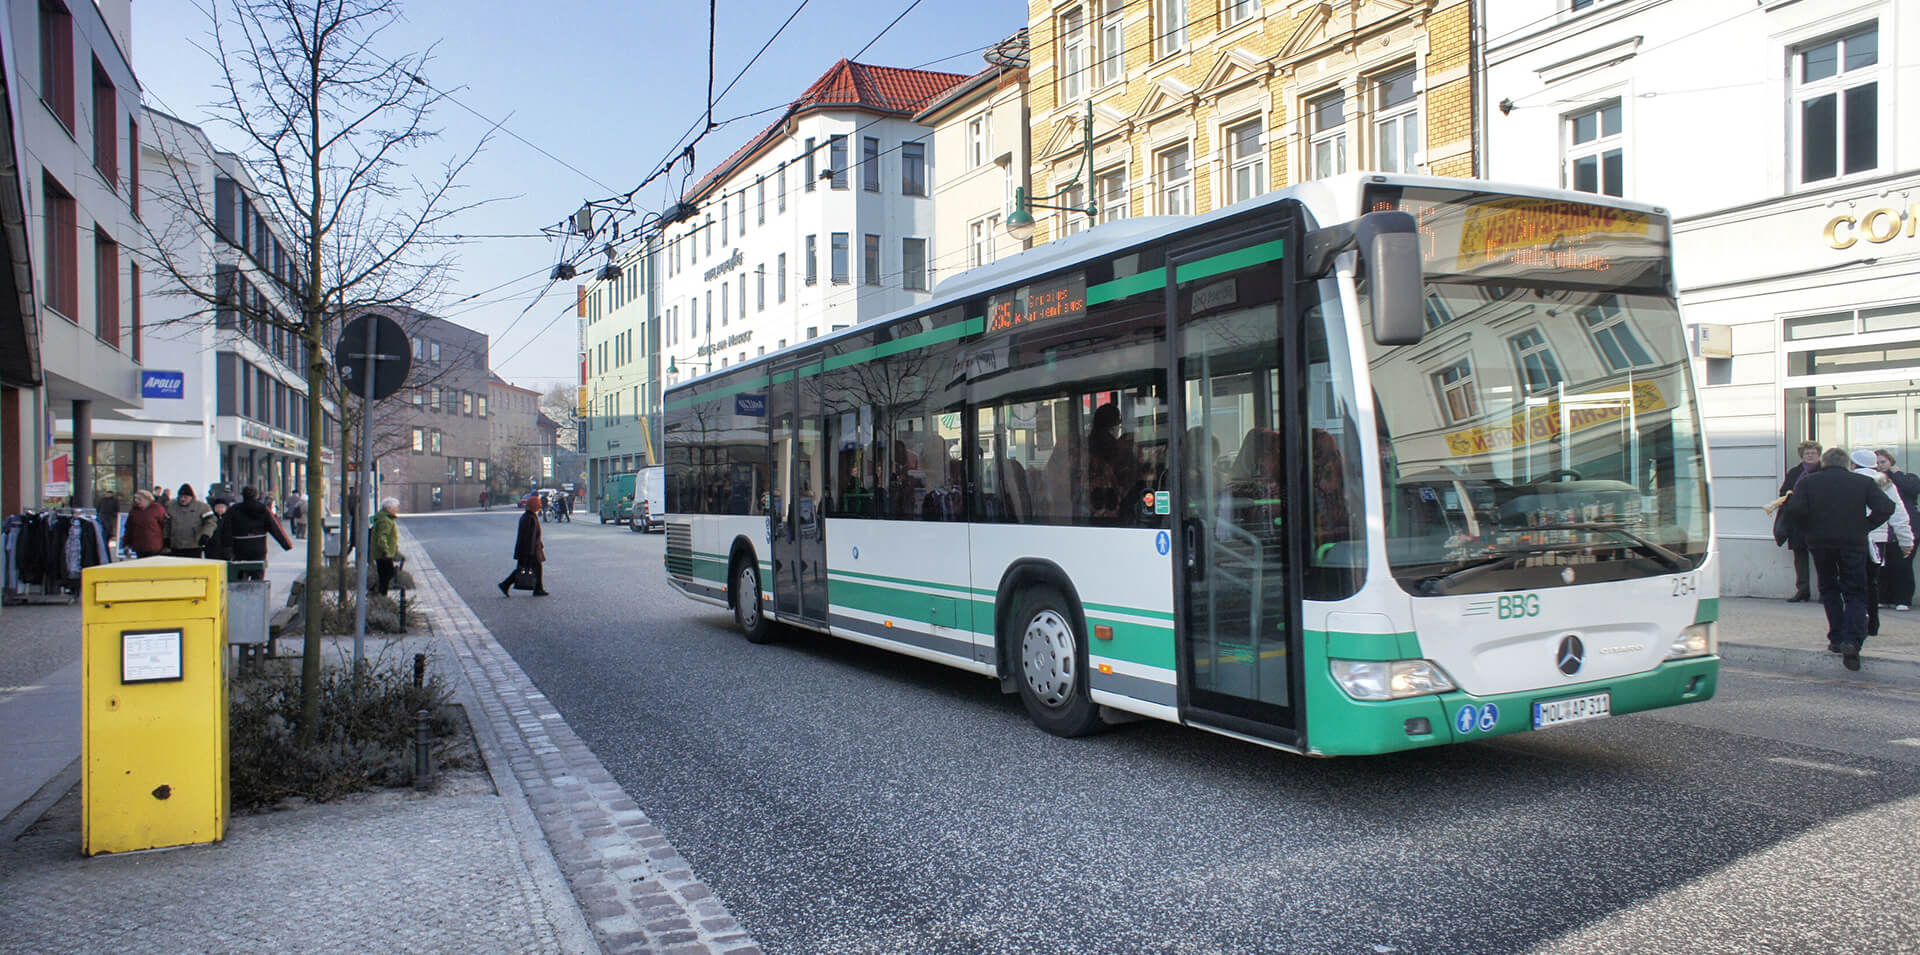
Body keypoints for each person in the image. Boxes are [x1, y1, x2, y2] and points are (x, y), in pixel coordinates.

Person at [1784, 447, 1894, 672]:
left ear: (1824, 463)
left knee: (1829, 588)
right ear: (1846, 464)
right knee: (1855, 592)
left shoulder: (1808, 482)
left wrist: (1808, 529)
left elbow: (1794, 509)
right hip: (1853, 542)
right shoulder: (1861, 483)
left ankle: (1836, 637)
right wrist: (1865, 526)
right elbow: (1886, 507)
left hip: (1820, 543)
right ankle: (1851, 641)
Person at [1853, 449, 1913, 637]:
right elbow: (1898, 512)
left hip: (1851, 536)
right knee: (1872, 581)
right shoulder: (1884, 481)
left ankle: (1858, 614)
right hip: (1878, 538)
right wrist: (1906, 540)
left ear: (1853, 464)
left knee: (1852, 579)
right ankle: (1873, 622)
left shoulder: (1848, 479)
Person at [1876, 449, 1920, 611]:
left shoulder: (1907, 478)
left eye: (1883, 462)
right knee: (1883, 565)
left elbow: (1913, 489)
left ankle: (1903, 599)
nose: (1880, 466)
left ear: (1891, 462)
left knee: (1902, 565)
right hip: (1883, 529)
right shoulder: (1876, 480)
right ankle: (1884, 597)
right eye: (1877, 463)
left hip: (1908, 528)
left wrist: (1896, 474)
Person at [1779, 440, 1822, 601]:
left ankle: (1824, 591)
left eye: (1813, 453)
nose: (1809, 456)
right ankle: (1802, 590)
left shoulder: (1823, 471)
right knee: (1800, 557)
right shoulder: (1795, 472)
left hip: (1817, 521)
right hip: (1797, 520)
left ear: (1819, 455)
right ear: (1801, 456)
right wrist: (1791, 498)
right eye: (1807, 453)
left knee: (1821, 557)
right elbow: (1783, 492)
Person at [224, 486, 294, 580]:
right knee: (258, 574)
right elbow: (275, 527)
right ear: (257, 495)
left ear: (243, 495)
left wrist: (227, 548)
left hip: (240, 547)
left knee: (240, 574)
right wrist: (286, 544)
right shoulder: (263, 509)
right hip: (258, 547)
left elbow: (226, 529)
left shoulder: (233, 509)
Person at [499, 493, 549, 597]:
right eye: (538, 505)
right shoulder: (529, 518)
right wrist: (530, 553)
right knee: (528, 568)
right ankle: (506, 584)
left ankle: (537, 588)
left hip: (530, 549)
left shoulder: (529, 516)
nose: (539, 506)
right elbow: (529, 537)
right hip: (529, 550)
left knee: (527, 568)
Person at [163, 483, 216, 558]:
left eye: (185, 497)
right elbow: (167, 523)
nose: (183, 499)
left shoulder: (202, 507)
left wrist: (206, 535)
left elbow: (211, 522)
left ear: (191, 497)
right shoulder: (170, 506)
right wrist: (166, 537)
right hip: (176, 544)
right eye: (181, 497)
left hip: (194, 544)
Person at [124, 489, 169, 558]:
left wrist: (166, 544)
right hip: (139, 547)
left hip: (155, 547)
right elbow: (129, 528)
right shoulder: (134, 511)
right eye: (135, 499)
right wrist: (126, 544)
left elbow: (165, 527)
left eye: (139, 499)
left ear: (147, 499)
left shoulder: (157, 509)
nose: (136, 501)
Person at [370, 497, 400, 595]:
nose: (397, 510)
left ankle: (378, 592)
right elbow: (382, 537)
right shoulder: (385, 520)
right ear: (389, 508)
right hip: (383, 553)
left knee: (385, 574)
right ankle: (378, 593)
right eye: (395, 507)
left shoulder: (384, 518)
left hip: (383, 552)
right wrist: (386, 550)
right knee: (387, 574)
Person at [205, 496, 234, 561]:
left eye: (222, 507)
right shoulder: (211, 518)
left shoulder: (229, 518)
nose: (220, 509)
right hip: (212, 549)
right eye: (217, 507)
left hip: (226, 549)